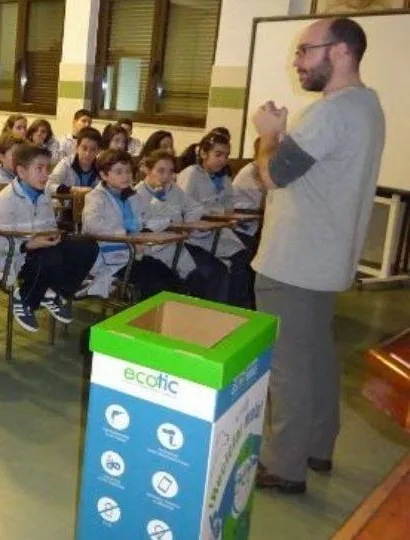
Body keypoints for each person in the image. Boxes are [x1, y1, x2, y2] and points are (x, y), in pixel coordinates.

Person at [251, 17, 384, 494]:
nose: (297, 61)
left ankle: (284, 466)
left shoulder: (331, 112)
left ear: (341, 51)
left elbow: (272, 174)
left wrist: (269, 132)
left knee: (289, 367)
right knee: (318, 359)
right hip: (325, 262)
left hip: (295, 264)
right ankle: (317, 447)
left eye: (306, 50)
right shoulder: (368, 105)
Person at [0, 144, 99, 332]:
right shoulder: (5, 200)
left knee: (87, 246)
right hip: (14, 258)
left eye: (47, 168)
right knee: (49, 257)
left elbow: (49, 227)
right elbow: (0, 244)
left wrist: (53, 236)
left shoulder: (44, 194)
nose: (45, 174)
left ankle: (54, 292)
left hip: (40, 249)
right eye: (39, 169)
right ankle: (25, 300)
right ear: (21, 171)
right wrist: (30, 244)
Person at [82, 149, 183, 300]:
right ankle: (151, 320)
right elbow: (92, 226)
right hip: (110, 258)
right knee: (155, 284)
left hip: (134, 255)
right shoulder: (95, 197)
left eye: (128, 171)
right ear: (104, 175)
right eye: (119, 172)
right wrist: (127, 235)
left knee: (171, 277)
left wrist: (166, 223)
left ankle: (178, 312)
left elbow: (143, 221)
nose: (126, 176)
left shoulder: (133, 196)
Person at [132, 150, 230, 302]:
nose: (166, 177)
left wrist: (186, 224)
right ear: (148, 170)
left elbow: (194, 208)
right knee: (198, 278)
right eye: (160, 171)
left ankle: (211, 316)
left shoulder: (174, 189)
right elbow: (141, 226)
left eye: (171, 172)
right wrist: (168, 220)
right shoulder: (136, 194)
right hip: (153, 250)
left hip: (178, 244)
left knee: (218, 270)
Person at [179, 132, 254, 307]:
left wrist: (226, 215)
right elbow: (185, 207)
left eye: (226, 156)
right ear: (204, 154)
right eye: (218, 155)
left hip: (217, 232)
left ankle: (239, 308)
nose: (223, 160)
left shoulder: (224, 178)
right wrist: (215, 212)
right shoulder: (191, 174)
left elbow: (229, 207)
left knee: (244, 258)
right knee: (222, 270)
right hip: (193, 237)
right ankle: (225, 308)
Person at [47, 127, 101, 195]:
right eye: (84, 148)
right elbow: (48, 186)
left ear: (98, 151)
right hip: (66, 204)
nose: (88, 153)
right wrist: (71, 189)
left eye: (93, 149)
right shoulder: (66, 163)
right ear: (77, 147)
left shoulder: (101, 167)